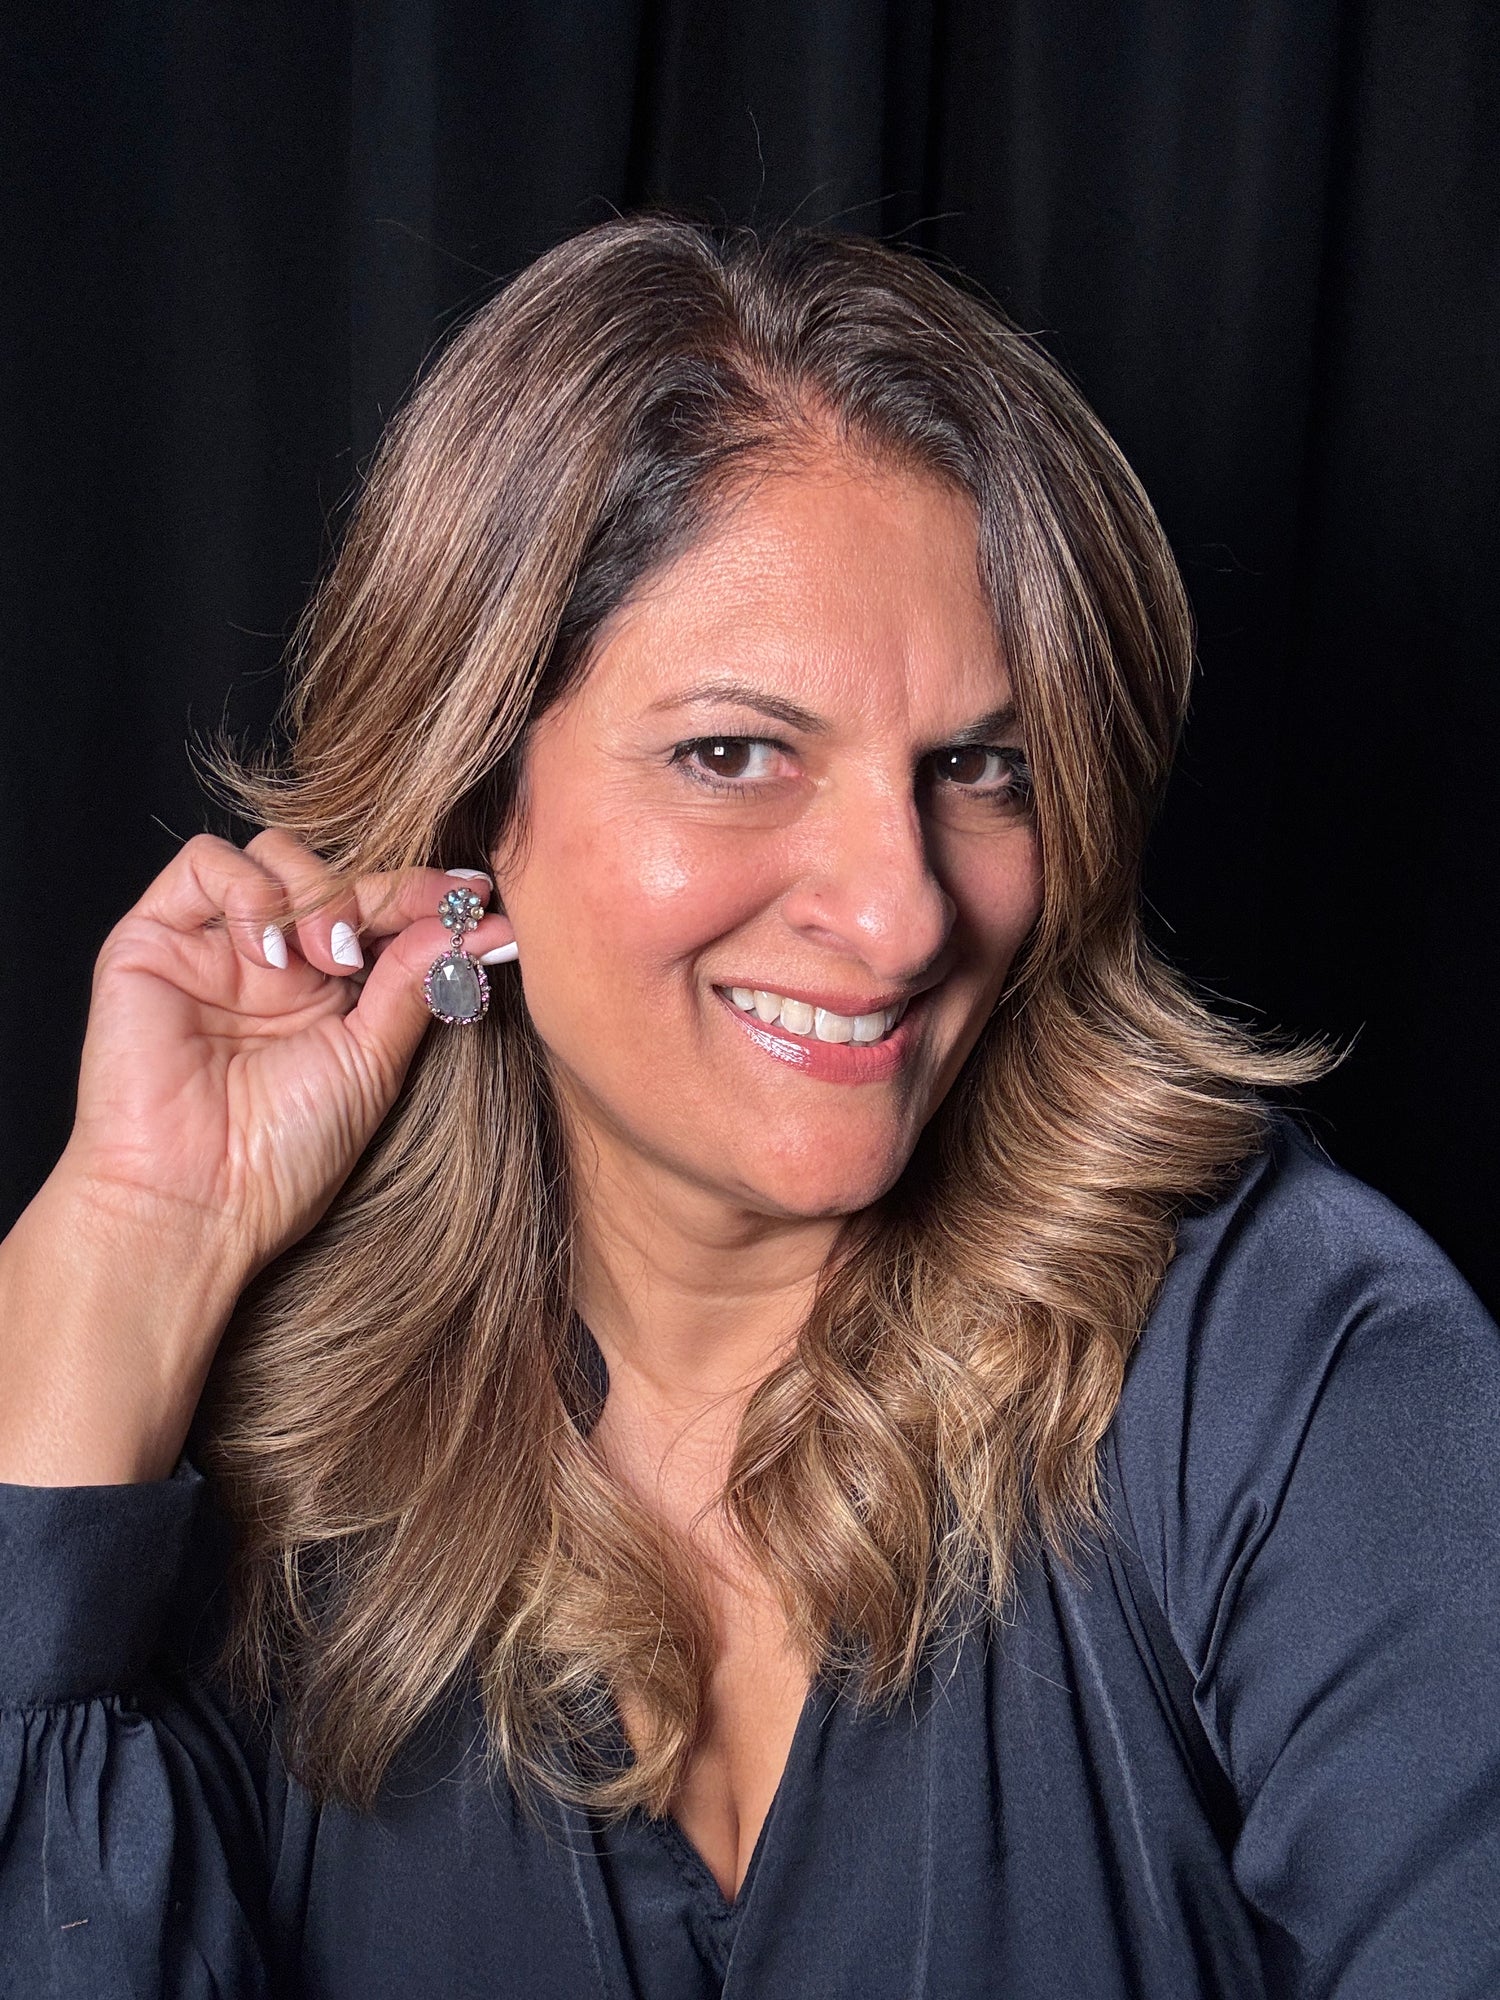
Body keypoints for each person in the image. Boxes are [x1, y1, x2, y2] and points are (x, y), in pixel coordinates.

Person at [1, 212, 1496, 2000]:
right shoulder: (277, 1468)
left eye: (980, 768)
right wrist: (124, 1258)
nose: (903, 909)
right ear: (477, 817)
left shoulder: (1301, 1372)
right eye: (735, 755)